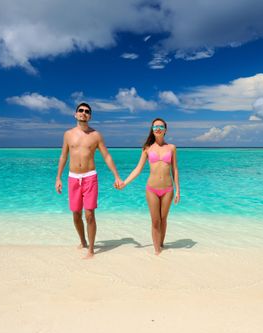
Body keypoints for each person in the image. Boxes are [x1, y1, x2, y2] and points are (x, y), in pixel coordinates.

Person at [55, 103, 123, 259]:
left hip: (90, 177)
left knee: (90, 214)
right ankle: (83, 241)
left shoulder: (96, 135)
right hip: (73, 177)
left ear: (90, 116)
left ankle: (91, 249)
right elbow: (63, 156)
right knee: (76, 214)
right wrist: (58, 177)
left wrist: (117, 176)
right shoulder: (68, 134)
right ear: (75, 114)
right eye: (81, 111)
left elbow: (106, 156)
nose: (83, 113)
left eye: (87, 112)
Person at [119, 118, 180, 255]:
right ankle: (157, 251)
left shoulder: (172, 148)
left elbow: (174, 169)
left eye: (160, 126)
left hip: (168, 189)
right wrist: (124, 182)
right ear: (152, 130)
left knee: (163, 219)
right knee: (155, 221)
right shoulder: (147, 148)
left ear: (165, 129)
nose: (157, 129)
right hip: (151, 189)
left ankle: (162, 244)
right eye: (155, 127)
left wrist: (178, 190)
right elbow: (138, 169)